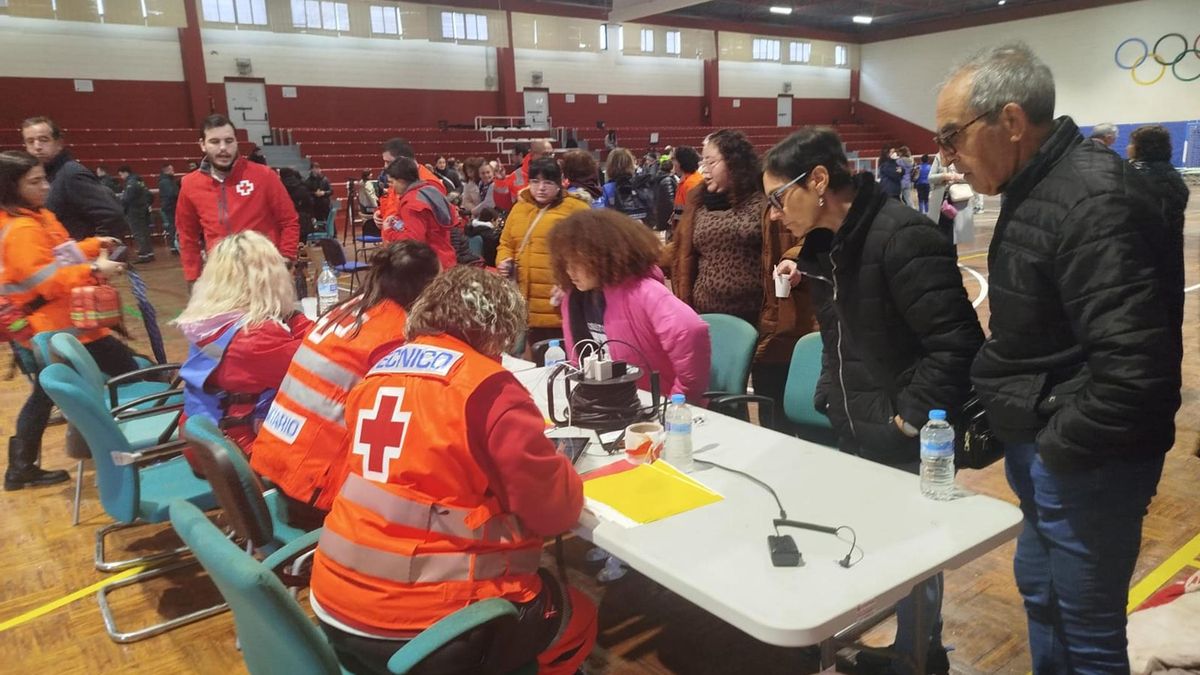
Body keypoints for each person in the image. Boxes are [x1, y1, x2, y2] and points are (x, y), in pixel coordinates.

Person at [935, 42, 1180, 674]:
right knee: (1043, 598)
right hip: (1048, 441)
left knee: (1090, 631)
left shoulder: (1095, 200)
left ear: (1011, 123)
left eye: (952, 135)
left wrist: (1054, 447)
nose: (947, 154)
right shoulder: (1041, 185)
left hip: (1086, 458)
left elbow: (1135, 370)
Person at [764, 128, 984, 675]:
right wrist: (830, 397)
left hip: (902, 431)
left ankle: (920, 654)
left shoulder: (902, 236)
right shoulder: (828, 244)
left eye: (776, 197)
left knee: (916, 550)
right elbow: (840, 337)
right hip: (854, 420)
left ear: (818, 181)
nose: (772, 214)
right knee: (876, 543)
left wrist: (909, 422)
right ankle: (900, 646)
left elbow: (956, 345)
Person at [309, 266, 597, 675]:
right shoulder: (488, 389)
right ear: (499, 330)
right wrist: (560, 466)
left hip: (333, 602)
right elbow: (556, 513)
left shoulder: (378, 372)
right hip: (421, 630)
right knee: (577, 613)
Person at [251, 241, 441, 530]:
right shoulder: (392, 336)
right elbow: (415, 420)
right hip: (313, 488)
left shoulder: (344, 309)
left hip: (273, 462)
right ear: (424, 287)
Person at [0, 150, 134, 490]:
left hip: (70, 326)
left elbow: (62, 255)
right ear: (11, 187)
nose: (46, 186)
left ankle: (21, 467)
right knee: (130, 373)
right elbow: (44, 280)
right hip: (56, 329)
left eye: (44, 178)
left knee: (47, 395)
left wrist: (93, 246)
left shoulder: (40, 217)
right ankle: (139, 440)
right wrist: (93, 268)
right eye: (35, 181)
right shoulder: (20, 229)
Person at [666, 129, 812, 424]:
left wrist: (794, 261)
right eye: (702, 162)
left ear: (734, 161)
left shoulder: (765, 196)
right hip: (710, 319)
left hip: (765, 320)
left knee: (773, 401)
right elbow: (679, 250)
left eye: (711, 161)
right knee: (721, 403)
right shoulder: (697, 200)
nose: (704, 169)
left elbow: (802, 237)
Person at [175, 231, 313, 470]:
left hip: (204, 441)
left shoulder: (208, 321)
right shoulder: (257, 337)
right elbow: (316, 363)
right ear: (270, 278)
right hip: (240, 452)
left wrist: (288, 315)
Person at [549, 209, 711, 403]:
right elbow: (578, 359)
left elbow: (691, 331)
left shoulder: (645, 292)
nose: (570, 271)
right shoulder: (573, 298)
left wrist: (678, 402)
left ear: (603, 257)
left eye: (577, 263)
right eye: (566, 263)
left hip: (651, 409)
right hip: (605, 405)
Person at [175, 114, 300, 285]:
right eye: (214, 142)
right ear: (202, 145)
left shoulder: (263, 176)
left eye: (229, 141)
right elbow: (187, 235)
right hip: (221, 279)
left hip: (265, 275)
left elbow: (289, 220)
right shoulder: (190, 184)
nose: (223, 148)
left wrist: (286, 257)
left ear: (236, 143)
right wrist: (192, 277)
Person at [497, 158, 592, 346]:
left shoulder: (577, 210)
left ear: (560, 183)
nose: (541, 188)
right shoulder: (519, 208)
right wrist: (504, 260)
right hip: (525, 302)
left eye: (548, 182)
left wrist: (568, 282)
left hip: (560, 303)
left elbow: (589, 252)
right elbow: (506, 243)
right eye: (535, 182)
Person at [20, 116, 129, 240]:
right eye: (30, 141)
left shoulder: (71, 173)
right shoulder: (43, 175)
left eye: (44, 140)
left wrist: (93, 251)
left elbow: (112, 215)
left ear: (59, 143)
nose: (37, 146)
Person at [1128, 124, 1189, 333]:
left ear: (1141, 148)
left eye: (1132, 143)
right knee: (1170, 324)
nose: (1128, 148)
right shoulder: (1174, 177)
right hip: (1171, 262)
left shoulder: (1135, 178)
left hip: (1141, 265)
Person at [379, 157, 457, 271]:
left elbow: (412, 242)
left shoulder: (411, 204)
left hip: (430, 267)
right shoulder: (430, 191)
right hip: (445, 257)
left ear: (401, 180)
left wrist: (389, 232)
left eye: (392, 182)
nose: (392, 188)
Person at [927, 153, 974, 244]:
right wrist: (944, 176)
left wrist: (958, 177)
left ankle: (952, 255)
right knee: (941, 231)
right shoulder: (939, 157)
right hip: (942, 201)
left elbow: (972, 177)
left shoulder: (964, 157)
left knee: (955, 232)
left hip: (959, 199)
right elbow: (930, 178)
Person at [494, 139, 552, 212]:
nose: (550, 158)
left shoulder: (556, 173)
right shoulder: (515, 176)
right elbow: (504, 206)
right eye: (545, 154)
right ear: (532, 154)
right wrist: (500, 181)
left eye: (551, 154)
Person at [117, 165, 154, 262]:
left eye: (121, 175)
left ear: (125, 172)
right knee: (145, 232)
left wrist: (121, 204)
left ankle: (144, 255)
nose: (121, 177)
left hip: (134, 211)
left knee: (138, 233)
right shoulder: (139, 181)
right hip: (143, 210)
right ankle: (149, 253)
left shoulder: (131, 183)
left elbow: (127, 198)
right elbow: (149, 194)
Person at [279, 168, 315, 239]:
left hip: (286, 221)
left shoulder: (279, 187)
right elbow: (310, 203)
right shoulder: (301, 185)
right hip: (303, 219)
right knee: (302, 244)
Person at [671, 146, 703, 226]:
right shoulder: (685, 181)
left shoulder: (692, 183)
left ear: (682, 162)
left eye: (674, 159)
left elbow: (693, 215)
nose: (673, 163)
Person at [158, 163, 180, 255]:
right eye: (171, 169)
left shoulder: (167, 181)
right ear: (166, 170)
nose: (173, 171)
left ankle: (175, 246)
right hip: (171, 207)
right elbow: (171, 194)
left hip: (170, 207)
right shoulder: (166, 182)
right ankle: (174, 246)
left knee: (173, 227)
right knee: (173, 227)